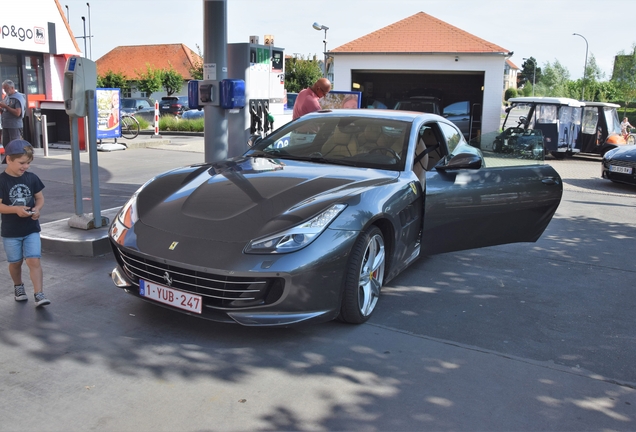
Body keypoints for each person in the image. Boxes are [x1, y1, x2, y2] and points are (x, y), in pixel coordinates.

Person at [0, 139, 49, 307]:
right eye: (22, 163)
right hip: (10, 231)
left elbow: (40, 198)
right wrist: (16, 210)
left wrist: (37, 209)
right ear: (8, 159)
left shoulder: (32, 178)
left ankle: (39, 293)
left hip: (31, 229)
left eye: (28, 163)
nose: (25, 166)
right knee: (15, 262)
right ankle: (18, 286)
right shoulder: (2, 181)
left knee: (34, 260)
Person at [0, 80, 26, 145]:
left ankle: (15, 155)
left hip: (14, 125)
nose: (5, 90)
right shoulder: (7, 97)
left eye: (6, 88)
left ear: (12, 88)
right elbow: (5, 110)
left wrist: (6, 106)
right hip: (6, 124)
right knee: (6, 144)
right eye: (4, 89)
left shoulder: (18, 98)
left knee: (14, 144)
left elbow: (18, 113)